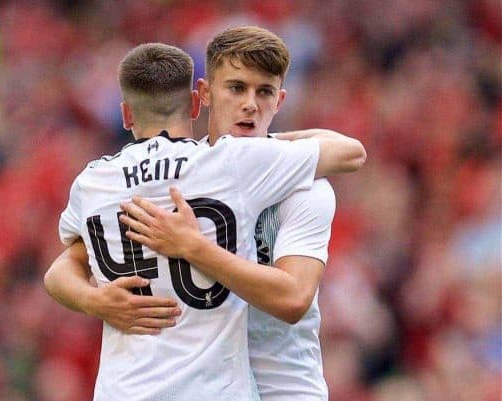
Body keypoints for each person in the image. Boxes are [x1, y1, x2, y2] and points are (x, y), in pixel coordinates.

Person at [47, 30, 365, 401]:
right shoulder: (184, 174)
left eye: (263, 93)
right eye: (236, 88)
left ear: (279, 101)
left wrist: (195, 246)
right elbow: (61, 270)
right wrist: (94, 301)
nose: (250, 104)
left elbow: (294, 298)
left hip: (285, 389)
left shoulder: (306, 187)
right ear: (204, 96)